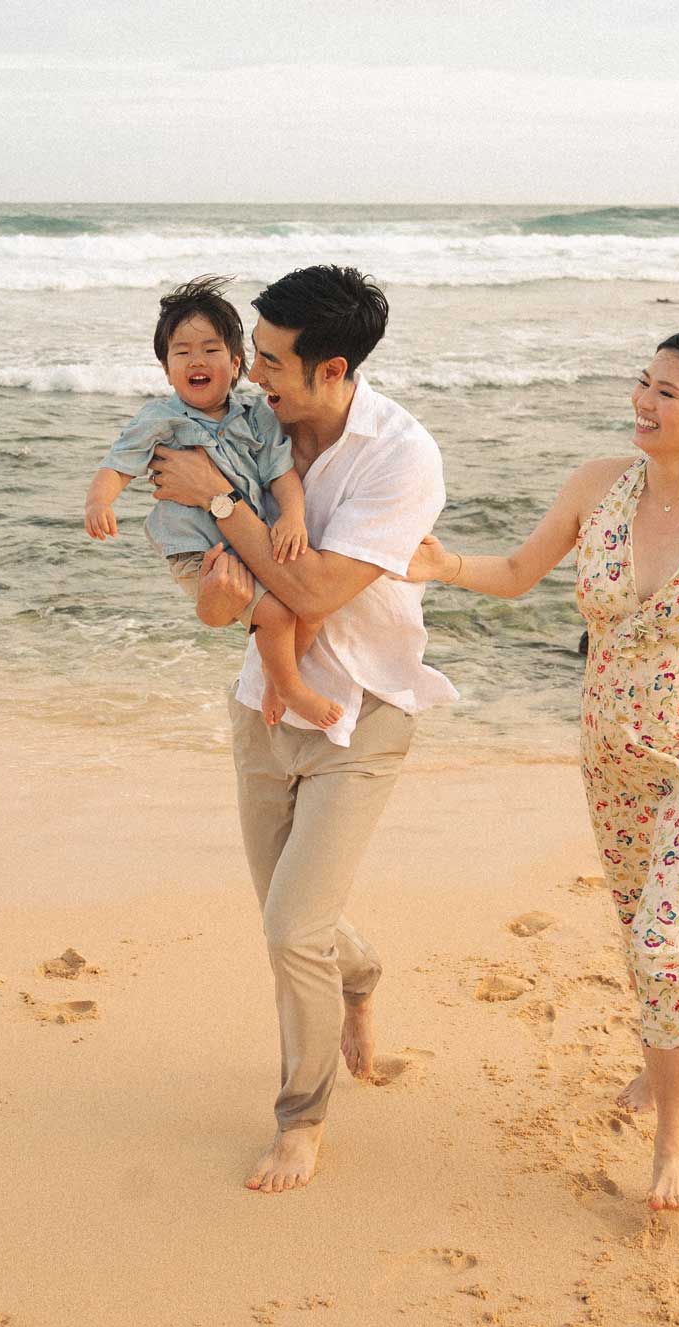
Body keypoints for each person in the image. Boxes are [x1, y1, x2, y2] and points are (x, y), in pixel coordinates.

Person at [406, 331, 679, 1211]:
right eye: (643, 384)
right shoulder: (597, 485)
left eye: (668, 394)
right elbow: (516, 571)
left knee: (668, 945)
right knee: (637, 923)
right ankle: (661, 1066)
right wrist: (442, 565)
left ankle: (671, 1150)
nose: (645, 403)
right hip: (610, 751)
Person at [147, 265, 458, 1193]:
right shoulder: (238, 428)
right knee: (296, 922)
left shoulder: (401, 456)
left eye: (273, 362)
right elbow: (212, 595)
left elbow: (319, 587)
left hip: (364, 708)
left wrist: (219, 500)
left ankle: (302, 1119)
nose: (254, 375)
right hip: (263, 703)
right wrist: (214, 563)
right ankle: (358, 978)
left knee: (290, 928)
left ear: (331, 368)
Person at [83, 275, 342, 730]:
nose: (195, 360)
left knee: (312, 605)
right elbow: (118, 464)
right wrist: (99, 501)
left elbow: (281, 475)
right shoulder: (159, 419)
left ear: (238, 363)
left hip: (250, 540)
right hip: (197, 551)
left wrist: (295, 517)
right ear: (166, 369)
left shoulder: (258, 417)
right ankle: (288, 687)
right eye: (181, 353)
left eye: (210, 349)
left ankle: (274, 683)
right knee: (276, 612)